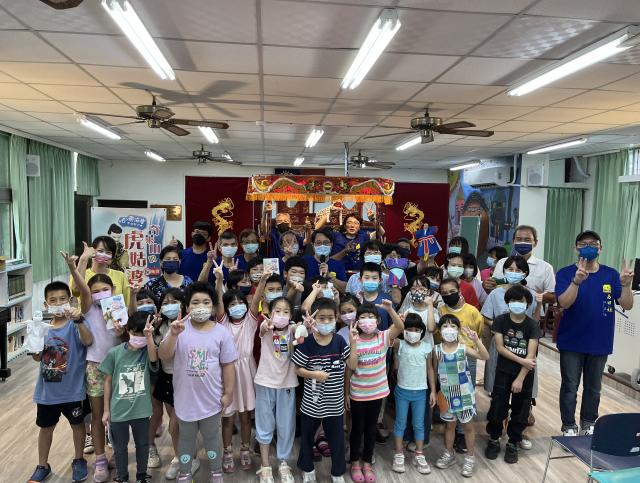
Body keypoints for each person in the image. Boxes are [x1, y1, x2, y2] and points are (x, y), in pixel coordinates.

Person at [556, 231, 634, 436]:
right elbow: (564, 303)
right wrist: (576, 282)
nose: (588, 247)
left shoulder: (610, 274)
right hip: (572, 341)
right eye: (583, 244)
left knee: (593, 388)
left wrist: (626, 285)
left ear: (600, 248)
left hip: (600, 342)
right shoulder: (565, 273)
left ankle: (588, 423)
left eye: (593, 243)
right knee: (570, 387)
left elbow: (627, 304)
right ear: (576, 248)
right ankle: (568, 426)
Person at [158, 282, 238, 483]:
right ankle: (185, 472)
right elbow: (163, 355)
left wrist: (228, 393)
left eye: (206, 302)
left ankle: (216, 472)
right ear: (187, 307)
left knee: (212, 438)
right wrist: (173, 335)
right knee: (185, 439)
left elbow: (228, 365)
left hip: (211, 400)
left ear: (213, 307)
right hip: (185, 400)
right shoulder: (178, 329)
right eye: (195, 302)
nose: (200, 306)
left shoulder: (221, 333)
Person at [28, 273, 93, 483]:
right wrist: (35, 345)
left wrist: (79, 319)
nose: (58, 303)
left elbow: (88, 340)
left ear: (70, 301)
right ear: (45, 304)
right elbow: (37, 357)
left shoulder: (75, 324)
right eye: (53, 300)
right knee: (46, 428)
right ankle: (42, 464)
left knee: (77, 426)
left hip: (73, 391)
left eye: (62, 299)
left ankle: (79, 459)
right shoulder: (43, 329)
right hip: (47, 392)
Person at [69, 250, 125, 482]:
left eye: (105, 289)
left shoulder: (118, 307)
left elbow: (126, 339)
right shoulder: (88, 309)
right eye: (95, 291)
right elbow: (81, 289)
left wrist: (122, 332)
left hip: (119, 366)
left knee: (119, 415)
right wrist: (75, 267)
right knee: (98, 415)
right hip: (95, 366)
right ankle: (100, 458)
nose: (101, 293)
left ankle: (118, 454)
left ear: (113, 289)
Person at [212, 263, 264, 473]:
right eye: (232, 304)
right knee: (228, 417)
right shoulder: (222, 323)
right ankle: (226, 452)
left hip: (247, 371)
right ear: (226, 308)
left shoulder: (250, 322)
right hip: (227, 372)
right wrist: (218, 280)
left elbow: (257, 300)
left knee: (246, 416)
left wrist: (262, 280)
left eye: (240, 302)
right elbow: (218, 301)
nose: (237, 306)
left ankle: (244, 449)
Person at [292, 298, 350, 483]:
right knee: (308, 438)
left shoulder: (339, 341)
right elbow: (297, 369)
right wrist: (314, 374)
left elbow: (352, 364)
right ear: (314, 319)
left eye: (330, 318)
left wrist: (355, 342)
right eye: (321, 318)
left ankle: (337, 472)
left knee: (337, 440)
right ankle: (307, 469)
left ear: (336, 318)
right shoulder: (307, 343)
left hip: (335, 403)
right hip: (312, 403)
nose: (326, 322)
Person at [347, 300, 404, 483]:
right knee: (357, 429)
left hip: (377, 392)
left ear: (378, 320)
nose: (367, 321)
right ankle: (354, 462)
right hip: (358, 393)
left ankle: (367, 462)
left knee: (371, 429)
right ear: (357, 321)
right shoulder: (354, 339)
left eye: (371, 317)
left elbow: (400, 327)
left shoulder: (383, 337)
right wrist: (353, 343)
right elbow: (352, 367)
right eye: (363, 317)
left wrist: (390, 310)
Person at [99, 311, 159, 483]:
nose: (140, 337)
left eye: (144, 334)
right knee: (119, 447)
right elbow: (107, 381)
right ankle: (122, 476)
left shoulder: (147, 352)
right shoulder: (114, 353)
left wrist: (149, 337)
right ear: (128, 330)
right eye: (136, 333)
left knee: (143, 444)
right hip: (118, 411)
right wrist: (106, 410)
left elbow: (154, 360)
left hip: (141, 410)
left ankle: (142, 475)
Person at [485, 285, 540, 464]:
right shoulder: (501, 321)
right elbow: (500, 348)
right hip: (503, 371)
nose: (517, 304)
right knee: (497, 407)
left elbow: (531, 356)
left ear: (528, 304)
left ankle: (513, 442)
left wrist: (520, 377)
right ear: (508, 302)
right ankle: (494, 438)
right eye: (513, 300)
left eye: (521, 301)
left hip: (524, 375)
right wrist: (521, 360)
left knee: (521, 410)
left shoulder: (532, 325)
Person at [433, 314, 489, 478]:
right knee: (449, 426)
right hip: (446, 396)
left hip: (464, 395)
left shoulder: (463, 348)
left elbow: (485, 356)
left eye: (453, 326)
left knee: (468, 427)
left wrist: (476, 340)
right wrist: (434, 391)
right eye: (445, 326)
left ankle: (470, 458)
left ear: (458, 330)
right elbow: (434, 372)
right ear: (440, 330)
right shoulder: (436, 350)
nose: (449, 329)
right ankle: (448, 453)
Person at [437, 277, 484, 454]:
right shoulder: (440, 310)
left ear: (459, 291)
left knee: (466, 392)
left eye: (452, 291)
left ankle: (461, 433)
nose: (449, 295)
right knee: (449, 393)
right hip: (445, 355)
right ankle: (451, 427)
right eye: (444, 293)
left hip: (467, 354)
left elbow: (479, 331)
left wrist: (473, 342)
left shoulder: (472, 311)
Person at [254, 297, 298, 483]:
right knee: (264, 424)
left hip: (287, 384)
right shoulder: (265, 327)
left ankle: (283, 463)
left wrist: (304, 327)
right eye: (277, 311)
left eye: (286, 311)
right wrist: (267, 324)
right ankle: (265, 465)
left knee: (286, 425)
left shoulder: (293, 329)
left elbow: (300, 330)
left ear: (291, 315)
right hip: (265, 382)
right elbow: (264, 328)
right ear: (270, 313)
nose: (281, 314)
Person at [152, 289, 194, 480]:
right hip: (167, 378)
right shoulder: (160, 327)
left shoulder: (191, 324)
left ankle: (187, 459)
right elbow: (159, 355)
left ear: (183, 304)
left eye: (174, 301)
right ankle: (180, 457)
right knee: (174, 423)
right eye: (165, 302)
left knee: (176, 425)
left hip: (188, 379)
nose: (170, 305)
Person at [391, 313, 436, 475]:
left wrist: (433, 391)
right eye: (409, 329)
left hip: (421, 392)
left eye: (417, 330)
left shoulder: (426, 347)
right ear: (404, 330)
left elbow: (430, 369)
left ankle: (419, 454)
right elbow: (389, 335)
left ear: (422, 331)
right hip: (402, 391)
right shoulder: (400, 344)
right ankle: (398, 454)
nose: (413, 333)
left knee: (419, 424)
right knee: (400, 423)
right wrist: (398, 321)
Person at [483, 225, 556, 307]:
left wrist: (530, 295)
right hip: (502, 310)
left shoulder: (545, 268)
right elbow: (493, 290)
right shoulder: (502, 262)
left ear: (535, 242)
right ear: (513, 241)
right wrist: (486, 286)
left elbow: (552, 298)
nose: (523, 243)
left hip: (531, 312)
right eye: (519, 239)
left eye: (527, 240)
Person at [71, 236, 130, 306]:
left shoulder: (120, 276)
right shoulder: (78, 274)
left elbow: (127, 303)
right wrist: (83, 259)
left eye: (108, 252)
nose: (104, 255)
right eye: (100, 251)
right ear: (92, 252)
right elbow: (76, 292)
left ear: (112, 258)